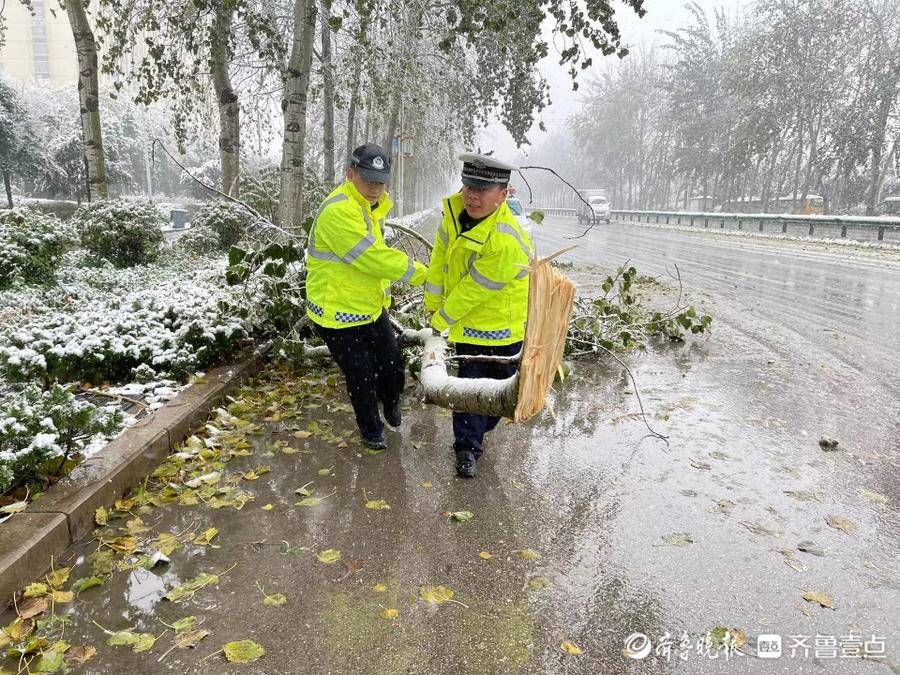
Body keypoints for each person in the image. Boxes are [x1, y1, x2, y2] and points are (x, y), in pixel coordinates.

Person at [306, 143, 427, 450]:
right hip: (336, 313)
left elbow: (374, 260)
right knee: (361, 376)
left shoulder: (370, 207)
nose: (375, 187)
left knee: (392, 364)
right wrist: (424, 273)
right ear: (351, 173)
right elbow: (372, 258)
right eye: (369, 179)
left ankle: (391, 403)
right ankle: (371, 429)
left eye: (380, 180)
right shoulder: (339, 211)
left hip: (369, 307)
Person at [424, 153, 533, 478]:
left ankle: (477, 432)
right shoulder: (454, 213)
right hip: (468, 330)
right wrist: (432, 302)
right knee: (469, 393)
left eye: (483, 189)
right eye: (469, 185)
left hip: (503, 331)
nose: (472, 194)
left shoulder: (505, 239)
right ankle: (466, 449)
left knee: (501, 400)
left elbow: (474, 289)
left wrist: (440, 319)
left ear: (503, 195)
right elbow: (440, 257)